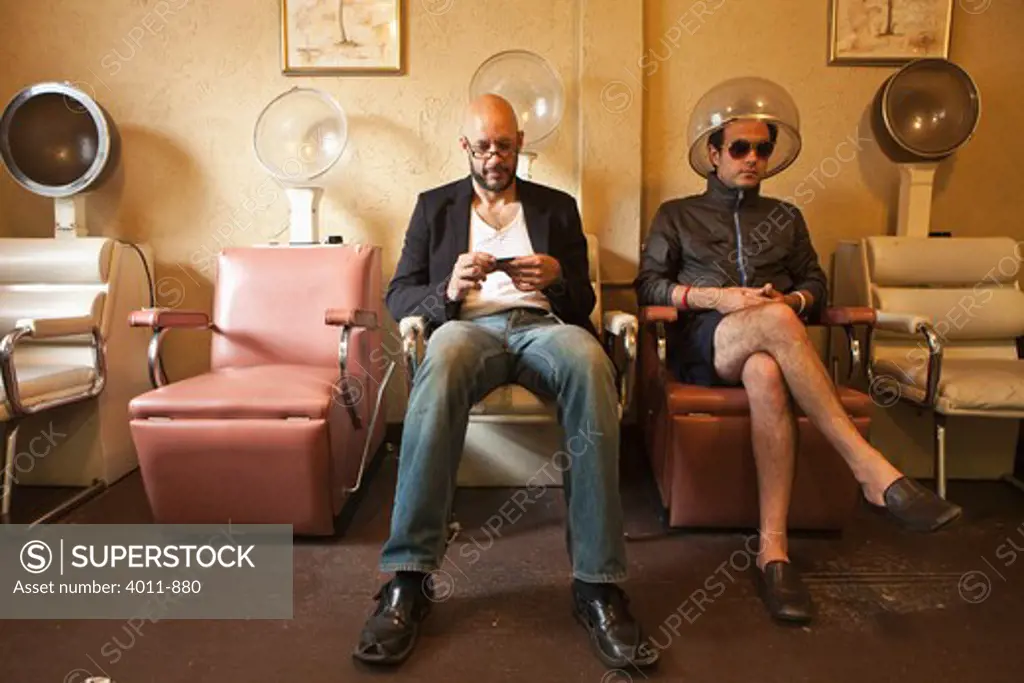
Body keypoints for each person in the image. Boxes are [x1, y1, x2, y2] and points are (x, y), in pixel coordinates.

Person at [353, 94, 658, 670]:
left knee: (593, 365)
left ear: (520, 143)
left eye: (506, 145)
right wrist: (448, 287)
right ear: (465, 146)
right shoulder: (434, 208)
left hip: (543, 325)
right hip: (468, 328)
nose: (495, 157)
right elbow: (399, 296)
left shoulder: (556, 207)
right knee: (439, 367)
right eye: (484, 146)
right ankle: (409, 580)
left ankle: (598, 585)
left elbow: (585, 302)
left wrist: (560, 276)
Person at [634, 116, 963, 624]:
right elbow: (649, 286)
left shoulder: (785, 216)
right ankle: (868, 467)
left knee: (767, 370)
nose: (751, 158)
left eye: (762, 150)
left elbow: (816, 284)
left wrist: (789, 299)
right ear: (714, 154)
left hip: (769, 342)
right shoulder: (678, 214)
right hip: (706, 342)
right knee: (777, 324)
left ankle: (774, 554)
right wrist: (715, 297)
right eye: (739, 147)